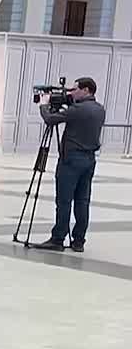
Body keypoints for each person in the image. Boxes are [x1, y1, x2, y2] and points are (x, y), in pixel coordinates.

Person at [36, 76, 106, 253]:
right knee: (82, 201)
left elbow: (50, 119)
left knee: (64, 200)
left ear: (86, 90)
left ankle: (58, 239)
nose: (71, 92)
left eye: (75, 89)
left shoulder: (78, 110)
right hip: (89, 160)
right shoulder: (99, 109)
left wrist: (44, 104)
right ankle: (79, 240)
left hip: (71, 160)